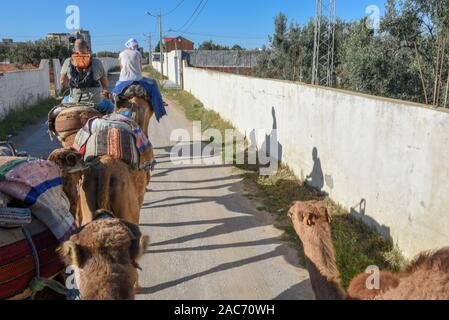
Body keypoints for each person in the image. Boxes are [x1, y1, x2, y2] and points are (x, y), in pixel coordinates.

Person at [60, 39, 110, 105]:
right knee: (111, 107)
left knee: (62, 105)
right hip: (95, 101)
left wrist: (74, 85)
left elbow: (62, 81)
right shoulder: (97, 62)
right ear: (87, 48)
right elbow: (105, 84)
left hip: (74, 101)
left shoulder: (68, 61)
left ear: (74, 49)